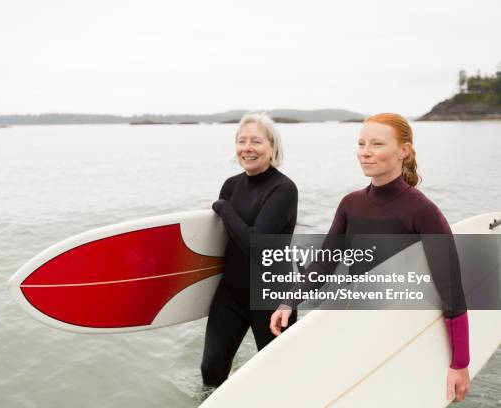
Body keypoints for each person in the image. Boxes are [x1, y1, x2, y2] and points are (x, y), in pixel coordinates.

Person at [269, 113, 470, 402]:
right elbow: (324, 262)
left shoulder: (421, 211)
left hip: (403, 331)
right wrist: (290, 300)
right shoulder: (351, 205)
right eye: (361, 143)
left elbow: (451, 288)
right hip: (359, 324)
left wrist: (459, 364)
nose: (365, 151)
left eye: (377, 144)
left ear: (404, 150)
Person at [201, 112, 298, 388]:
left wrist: (221, 206)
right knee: (211, 370)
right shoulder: (231, 186)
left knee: (280, 378)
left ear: (272, 147)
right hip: (230, 294)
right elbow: (220, 242)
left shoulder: (283, 189)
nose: (247, 147)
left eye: (256, 141)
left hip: (271, 298)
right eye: (241, 141)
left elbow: (256, 245)